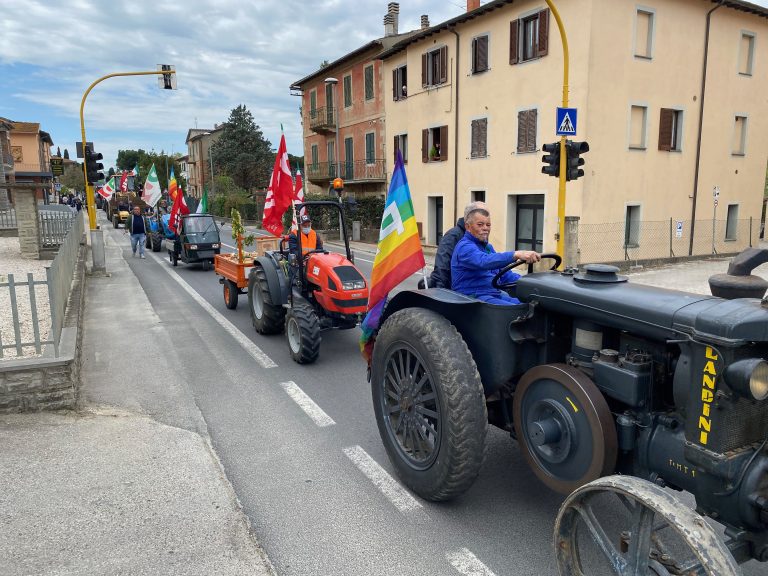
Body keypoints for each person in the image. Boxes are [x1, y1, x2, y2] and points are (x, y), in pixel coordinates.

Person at [451, 206, 541, 305]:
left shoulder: (488, 247)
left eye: (488, 225)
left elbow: (504, 273)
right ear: (468, 227)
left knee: (533, 305)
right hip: (472, 297)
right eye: (480, 225)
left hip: (493, 293)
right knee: (518, 310)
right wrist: (516, 254)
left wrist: (529, 282)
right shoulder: (464, 247)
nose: (485, 228)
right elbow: (484, 261)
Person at [429, 201, 488, 288]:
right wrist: (441, 294)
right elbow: (442, 267)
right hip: (460, 293)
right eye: (481, 214)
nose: (485, 227)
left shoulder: (479, 237)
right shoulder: (453, 236)